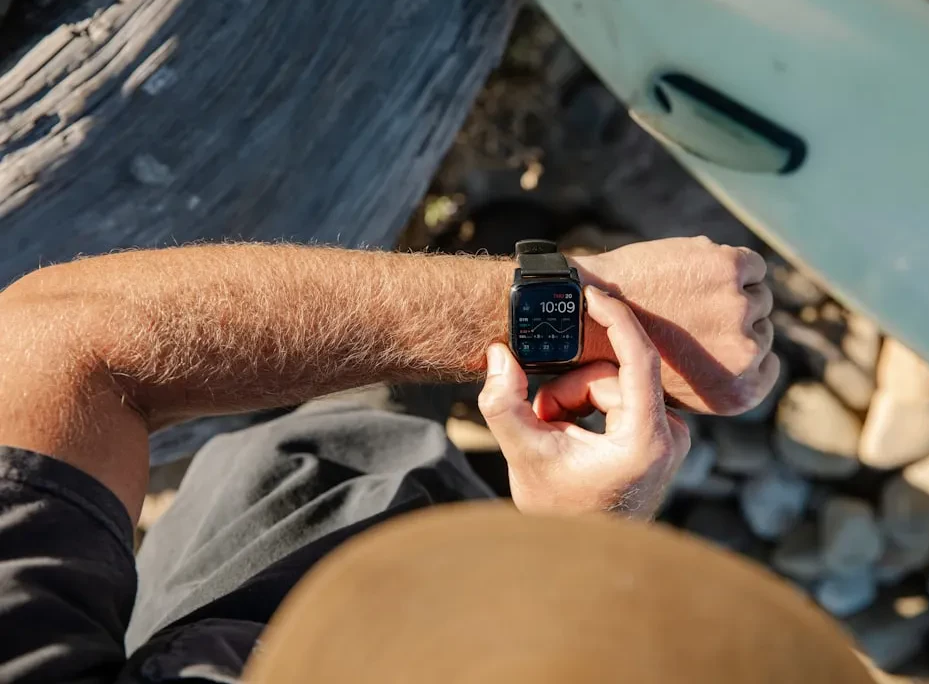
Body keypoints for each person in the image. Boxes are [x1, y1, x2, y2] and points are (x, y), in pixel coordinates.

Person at [0, 236, 872, 683]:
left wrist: (569, 308)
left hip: (256, 547)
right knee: (362, 457)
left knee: (327, 456)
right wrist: (579, 539)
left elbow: (53, 346)